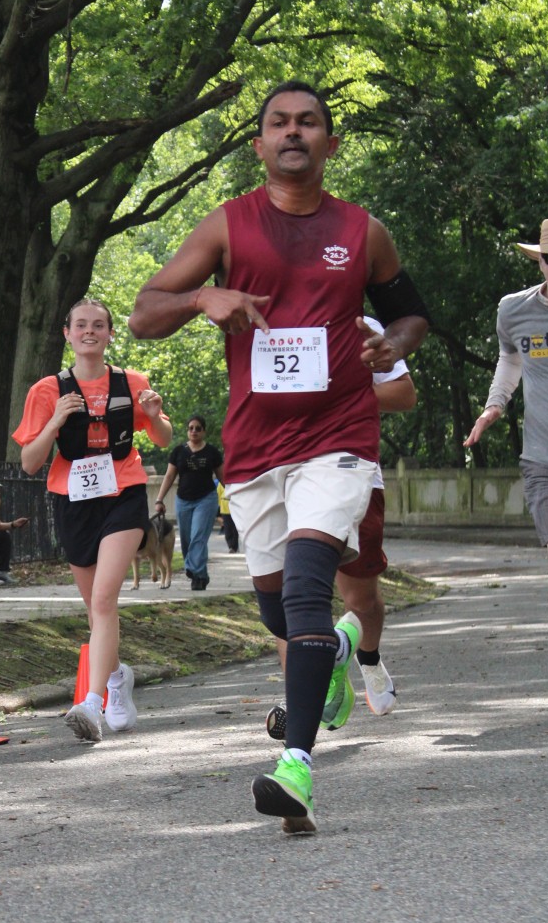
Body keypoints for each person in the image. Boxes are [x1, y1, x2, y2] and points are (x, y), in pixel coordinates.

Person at [129, 80, 429, 831]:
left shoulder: (363, 231)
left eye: (309, 123)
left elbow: (411, 314)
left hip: (339, 440)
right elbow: (142, 314)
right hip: (256, 450)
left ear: (331, 143)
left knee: (304, 588)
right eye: (279, 123)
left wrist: (392, 343)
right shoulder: (228, 226)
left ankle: (296, 766)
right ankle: (332, 659)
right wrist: (203, 299)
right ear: (260, 143)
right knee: (276, 608)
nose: (294, 132)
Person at [13, 297, 172, 741]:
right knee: (95, 610)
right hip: (74, 500)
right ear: (67, 333)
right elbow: (29, 462)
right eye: (80, 325)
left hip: (124, 494)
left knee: (104, 600)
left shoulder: (132, 382)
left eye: (98, 325)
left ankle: (92, 702)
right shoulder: (47, 390)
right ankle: (119, 677)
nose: (89, 332)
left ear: (110, 334)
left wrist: (155, 415)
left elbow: (163, 437)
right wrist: (54, 422)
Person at [266, 318, 417, 737]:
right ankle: (305, 699)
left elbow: (405, 394)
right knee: (292, 595)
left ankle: (365, 656)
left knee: (359, 597)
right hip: (280, 471)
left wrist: (340, 394)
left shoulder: (358, 324)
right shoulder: (259, 320)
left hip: (351, 468)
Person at [464, 217, 548, 719]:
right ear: (540, 260)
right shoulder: (514, 310)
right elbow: (511, 359)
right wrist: (493, 406)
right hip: (543, 459)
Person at [154, 415, 222, 590]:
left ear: (204, 431)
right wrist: (159, 499)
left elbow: (223, 477)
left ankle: (193, 569)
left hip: (206, 499)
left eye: (198, 428)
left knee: (198, 537)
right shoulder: (179, 452)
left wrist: (235, 494)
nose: (194, 431)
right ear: (187, 431)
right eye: (191, 428)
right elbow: (169, 476)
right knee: (186, 540)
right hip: (183, 500)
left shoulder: (212, 452)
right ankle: (200, 576)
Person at [216, 481, 239, 552]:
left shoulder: (235, 482)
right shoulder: (220, 483)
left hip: (234, 507)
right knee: (227, 528)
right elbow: (218, 494)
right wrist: (219, 510)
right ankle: (230, 546)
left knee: (234, 528)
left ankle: (234, 546)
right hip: (224, 508)